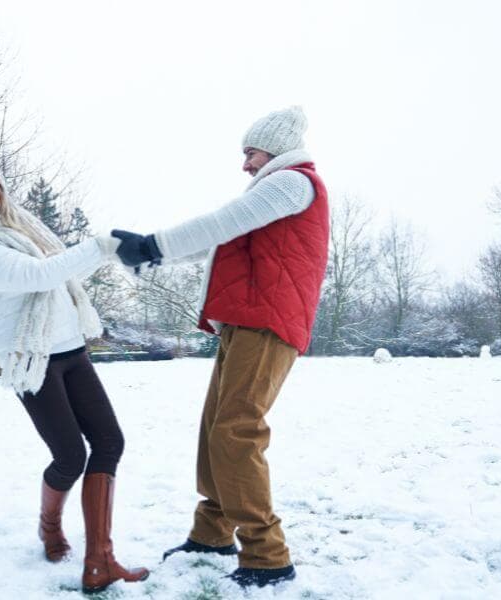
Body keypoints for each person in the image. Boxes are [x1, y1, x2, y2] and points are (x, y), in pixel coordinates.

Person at [0, 131, 148, 594]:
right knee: (69, 456)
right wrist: (102, 245)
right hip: (32, 360)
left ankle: (100, 560)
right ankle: (49, 526)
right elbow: (40, 275)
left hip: (71, 350)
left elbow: (58, 271)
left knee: (109, 442)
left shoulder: (20, 227)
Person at [112, 106, 329, 588]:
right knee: (218, 427)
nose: (246, 164)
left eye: (250, 152)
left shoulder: (294, 182)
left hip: (268, 324)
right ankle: (212, 532)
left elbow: (220, 222)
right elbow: (217, 241)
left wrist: (154, 245)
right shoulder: (277, 189)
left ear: (274, 149)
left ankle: (267, 555)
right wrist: (156, 257)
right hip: (245, 323)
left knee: (236, 431)